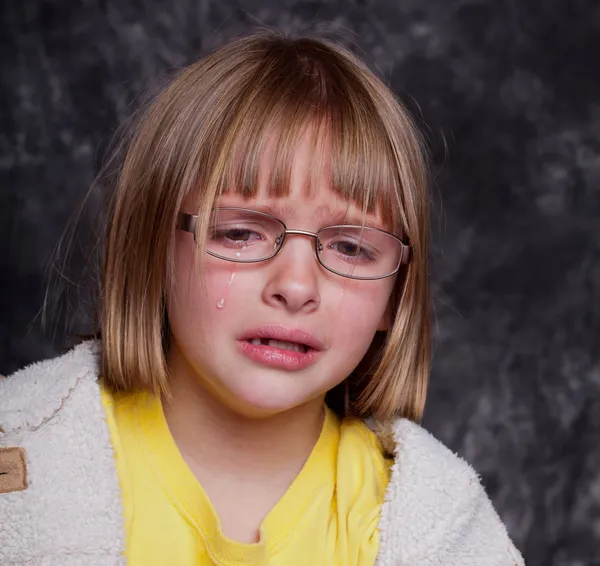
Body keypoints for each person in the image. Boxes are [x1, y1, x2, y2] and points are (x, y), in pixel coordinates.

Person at [0, 31, 524, 565]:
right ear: (151, 249)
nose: (296, 288)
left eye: (350, 247)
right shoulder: (24, 460)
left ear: (395, 295)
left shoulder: (438, 527)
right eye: (240, 234)